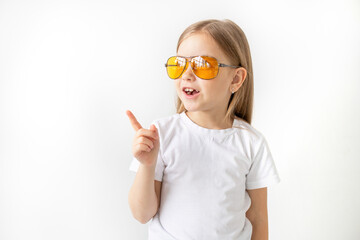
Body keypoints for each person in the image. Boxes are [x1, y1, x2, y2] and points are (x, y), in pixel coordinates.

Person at [127, 19, 281, 240]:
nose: (187, 74)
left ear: (236, 79)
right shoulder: (161, 134)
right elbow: (142, 214)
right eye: (179, 64)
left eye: (203, 65)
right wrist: (147, 165)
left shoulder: (251, 143)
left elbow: (258, 218)